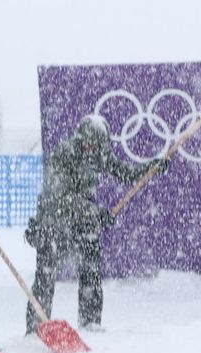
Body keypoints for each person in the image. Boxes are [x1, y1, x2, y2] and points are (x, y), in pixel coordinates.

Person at [25, 114, 167, 333]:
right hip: (53, 221)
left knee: (91, 268)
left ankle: (90, 322)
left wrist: (151, 168)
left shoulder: (98, 153)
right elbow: (59, 197)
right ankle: (36, 326)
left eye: (98, 146)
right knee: (45, 275)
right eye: (91, 144)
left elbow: (124, 173)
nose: (94, 150)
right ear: (81, 139)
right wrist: (95, 211)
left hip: (82, 222)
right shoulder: (64, 155)